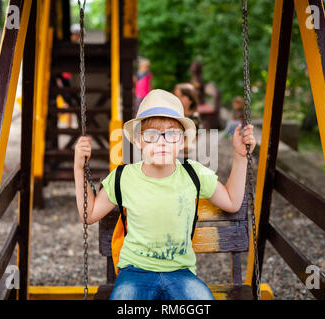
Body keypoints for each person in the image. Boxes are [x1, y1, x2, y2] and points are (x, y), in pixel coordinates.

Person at [74, 89, 255, 300]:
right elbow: (89, 214)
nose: (162, 142)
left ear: (182, 142)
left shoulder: (193, 173)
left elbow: (233, 203)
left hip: (181, 273)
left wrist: (240, 157)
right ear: (139, 141)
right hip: (134, 272)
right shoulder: (124, 177)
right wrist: (79, 169)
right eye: (151, 135)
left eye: (172, 134)